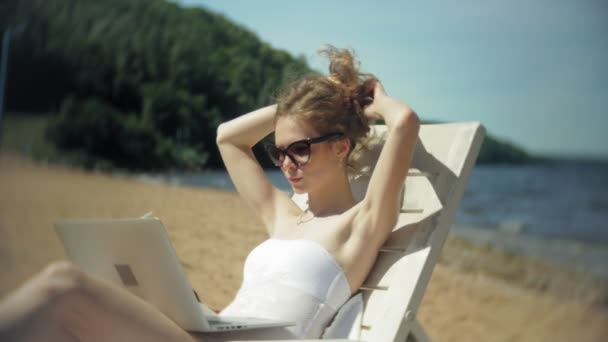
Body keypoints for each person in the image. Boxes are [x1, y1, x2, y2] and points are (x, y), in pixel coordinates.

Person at [0, 46, 419, 341]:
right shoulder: (284, 216)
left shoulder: (359, 226)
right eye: (279, 151)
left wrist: (367, 102)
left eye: (301, 150)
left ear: (341, 146)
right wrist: (304, 106)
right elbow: (227, 139)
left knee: (64, 286)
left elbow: (403, 123)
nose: (287, 164)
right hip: (206, 332)